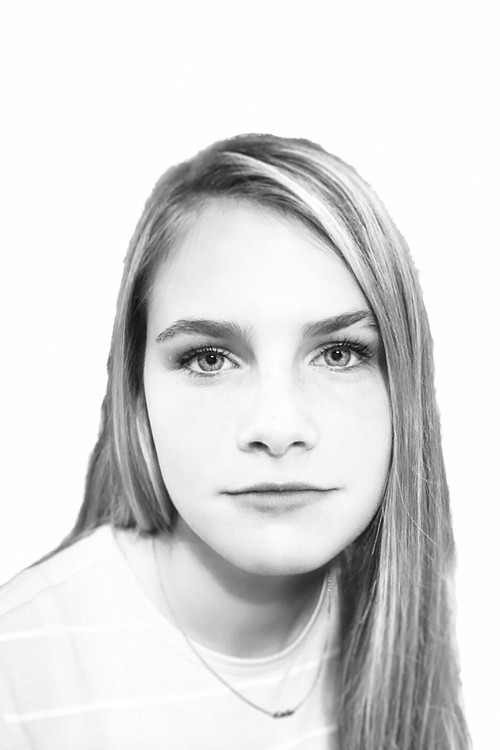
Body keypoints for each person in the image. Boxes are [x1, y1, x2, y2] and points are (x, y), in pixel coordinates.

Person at [0, 134, 470, 749]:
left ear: (403, 387)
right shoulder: (21, 667)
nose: (278, 427)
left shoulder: (417, 628)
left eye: (338, 353)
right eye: (210, 358)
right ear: (136, 392)